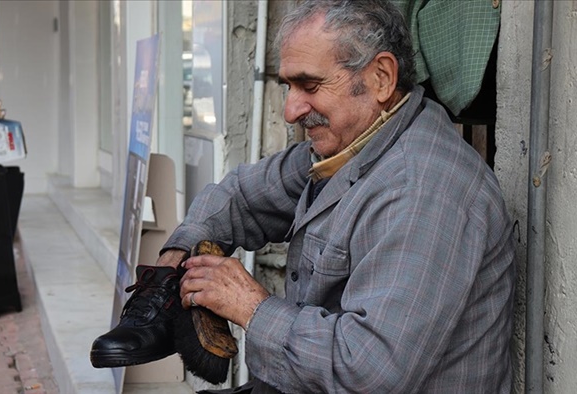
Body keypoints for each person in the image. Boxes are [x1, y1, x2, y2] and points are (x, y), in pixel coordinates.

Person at [91, 0, 516, 392]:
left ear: (381, 78)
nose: (291, 110)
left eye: (309, 86)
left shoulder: (424, 189)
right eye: (288, 87)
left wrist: (251, 307)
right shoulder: (355, 144)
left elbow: (367, 371)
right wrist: (178, 256)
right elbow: (239, 195)